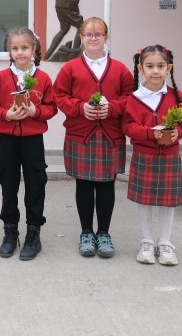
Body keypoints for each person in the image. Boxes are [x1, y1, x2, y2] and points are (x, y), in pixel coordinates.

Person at [54, 17, 133, 258]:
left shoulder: (120, 69)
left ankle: (104, 233)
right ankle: (86, 232)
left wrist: (113, 108)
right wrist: (80, 108)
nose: (93, 38)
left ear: (106, 38)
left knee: (107, 185)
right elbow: (60, 96)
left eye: (99, 34)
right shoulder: (70, 68)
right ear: (81, 37)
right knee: (84, 185)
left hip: (110, 135)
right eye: (88, 34)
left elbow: (130, 97)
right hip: (81, 135)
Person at [0, 27, 57, 261]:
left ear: (33, 50)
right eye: (15, 48)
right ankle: (10, 231)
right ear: (10, 51)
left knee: (36, 184)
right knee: (8, 183)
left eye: (24, 48)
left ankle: (33, 232)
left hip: (33, 139)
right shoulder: (1, 77)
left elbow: (52, 107)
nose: (20, 52)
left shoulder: (43, 78)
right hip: (7, 139)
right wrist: (6, 114)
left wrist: (36, 112)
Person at [122, 45, 182, 266]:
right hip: (144, 155)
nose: (155, 71)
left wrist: (178, 132)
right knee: (144, 201)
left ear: (168, 68)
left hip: (169, 156)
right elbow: (127, 126)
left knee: (167, 202)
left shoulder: (176, 96)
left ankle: (165, 243)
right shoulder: (134, 98)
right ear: (140, 69)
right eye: (150, 66)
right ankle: (146, 242)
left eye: (161, 66)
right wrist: (148, 133)